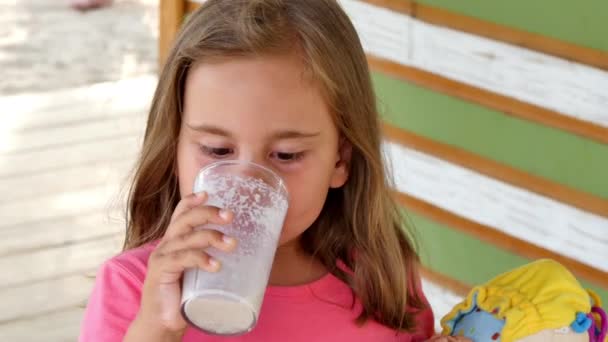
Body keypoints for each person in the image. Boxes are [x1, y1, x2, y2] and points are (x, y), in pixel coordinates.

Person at [79, 0, 445, 340]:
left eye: (286, 155)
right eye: (217, 150)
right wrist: (155, 330)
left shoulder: (383, 283)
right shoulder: (136, 288)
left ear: (340, 159)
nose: (246, 186)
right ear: (174, 145)